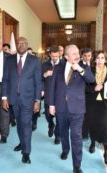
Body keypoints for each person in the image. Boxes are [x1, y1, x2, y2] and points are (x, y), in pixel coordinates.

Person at [49, 45, 95, 173]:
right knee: (63, 132)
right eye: (73, 53)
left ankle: (76, 166)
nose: (77, 55)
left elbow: (91, 80)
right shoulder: (58, 68)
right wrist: (51, 105)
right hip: (61, 107)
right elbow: (52, 87)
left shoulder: (83, 67)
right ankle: (65, 150)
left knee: (76, 136)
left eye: (77, 52)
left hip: (77, 108)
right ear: (66, 56)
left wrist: (79, 69)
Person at [2, 36, 42, 164]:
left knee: (26, 124)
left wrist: (37, 100)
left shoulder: (35, 60)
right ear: (17, 45)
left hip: (28, 99)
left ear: (27, 44)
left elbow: (38, 82)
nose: (21, 45)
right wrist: (4, 97)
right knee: (19, 123)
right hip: (14, 99)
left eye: (24, 43)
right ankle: (22, 142)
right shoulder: (9, 60)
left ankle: (26, 153)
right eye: (19, 43)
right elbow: (5, 80)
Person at [86, 50, 107, 165]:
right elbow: (84, 88)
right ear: (94, 60)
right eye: (98, 58)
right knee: (93, 124)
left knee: (106, 127)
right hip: (93, 104)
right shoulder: (89, 71)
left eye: (102, 58)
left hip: (106, 104)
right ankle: (93, 143)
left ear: (105, 59)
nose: (100, 60)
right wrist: (93, 89)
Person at [42, 45, 61, 144]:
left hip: (60, 95)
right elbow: (39, 78)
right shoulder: (44, 65)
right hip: (48, 94)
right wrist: (45, 74)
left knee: (59, 117)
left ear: (59, 54)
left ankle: (57, 136)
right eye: (53, 56)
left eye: (56, 56)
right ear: (50, 54)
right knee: (48, 115)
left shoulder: (63, 64)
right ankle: (50, 125)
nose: (54, 58)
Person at [80, 48, 93, 139]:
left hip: (93, 93)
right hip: (83, 93)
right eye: (85, 55)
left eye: (89, 55)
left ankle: (91, 132)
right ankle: (84, 133)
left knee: (91, 114)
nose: (87, 58)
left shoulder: (95, 65)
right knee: (83, 114)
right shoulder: (79, 66)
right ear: (82, 56)